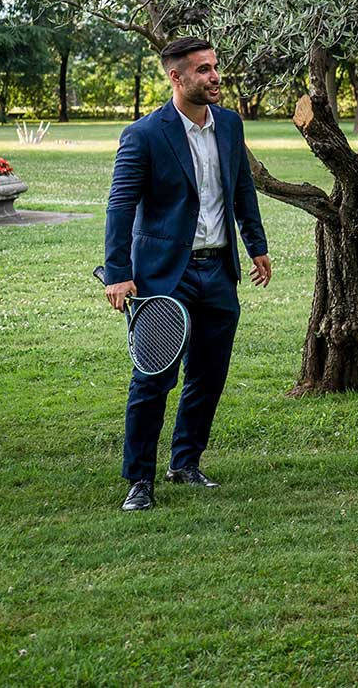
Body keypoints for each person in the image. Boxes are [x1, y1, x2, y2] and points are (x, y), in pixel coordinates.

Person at [101, 38, 272, 512]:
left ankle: (186, 462)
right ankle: (140, 480)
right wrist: (118, 273)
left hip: (218, 271)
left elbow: (241, 190)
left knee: (209, 374)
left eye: (215, 67)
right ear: (176, 78)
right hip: (162, 277)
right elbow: (120, 205)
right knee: (153, 379)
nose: (215, 76)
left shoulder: (230, 125)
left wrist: (255, 246)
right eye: (203, 70)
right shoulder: (144, 134)